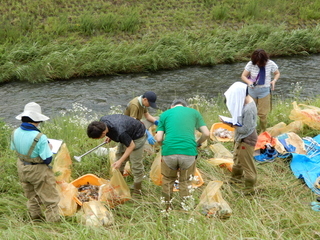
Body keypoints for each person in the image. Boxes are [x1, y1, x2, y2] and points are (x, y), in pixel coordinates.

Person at [155, 99, 209, 210]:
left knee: (168, 180)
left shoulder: (165, 114)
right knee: (185, 181)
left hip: (169, 152)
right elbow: (207, 133)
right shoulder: (194, 113)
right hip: (188, 152)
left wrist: (164, 145)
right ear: (185, 106)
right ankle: (186, 207)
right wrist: (197, 143)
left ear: (171, 106)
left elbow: (159, 138)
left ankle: (166, 207)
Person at [10, 102, 60, 222]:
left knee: (31, 196)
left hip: (22, 166)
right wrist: (50, 148)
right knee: (50, 198)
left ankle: (36, 219)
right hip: (38, 170)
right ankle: (54, 224)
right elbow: (47, 159)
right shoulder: (40, 137)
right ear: (36, 120)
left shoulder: (15, 132)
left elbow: (14, 148)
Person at [87, 114, 147, 196]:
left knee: (135, 164)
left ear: (104, 132)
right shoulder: (102, 121)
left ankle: (137, 190)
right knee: (118, 158)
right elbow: (114, 130)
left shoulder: (120, 132)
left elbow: (131, 146)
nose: (98, 139)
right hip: (126, 133)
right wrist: (110, 136)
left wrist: (120, 161)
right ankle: (119, 183)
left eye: (98, 138)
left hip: (137, 136)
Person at [223, 82, 258, 195]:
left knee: (248, 167)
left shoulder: (248, 109)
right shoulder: (247, 100)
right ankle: (235, 181)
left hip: (247, 140)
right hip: (241, 138)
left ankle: (249, 191)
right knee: (237, 160)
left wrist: (230, 124)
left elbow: (245, 129)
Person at [241, 49, 280, 132]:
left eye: (260, 62)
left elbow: (277, 73)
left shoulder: (270, 63)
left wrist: (274, 81)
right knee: (250, 111)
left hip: (264, 91)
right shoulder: (251, 64)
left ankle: (263, 130)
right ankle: (251, 130)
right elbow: (243, 76)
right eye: (257, 62)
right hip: (252, 91)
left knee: (263, 114)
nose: (259, 63)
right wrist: (249, 82)